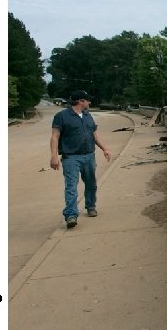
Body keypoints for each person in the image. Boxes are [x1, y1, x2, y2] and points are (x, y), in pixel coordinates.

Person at [50, 90, 112, 228]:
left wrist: (105, 148)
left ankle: (91, 206)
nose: (89, 102)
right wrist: (54, 156)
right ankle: (71, 215)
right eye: (87, 100)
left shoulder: (88, 115)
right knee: (71, 187)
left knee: (91, 184)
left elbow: (94, 134)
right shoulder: (61, 116)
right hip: (71, 157)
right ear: (80, 101)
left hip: (89, 156)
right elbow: (55, 136)